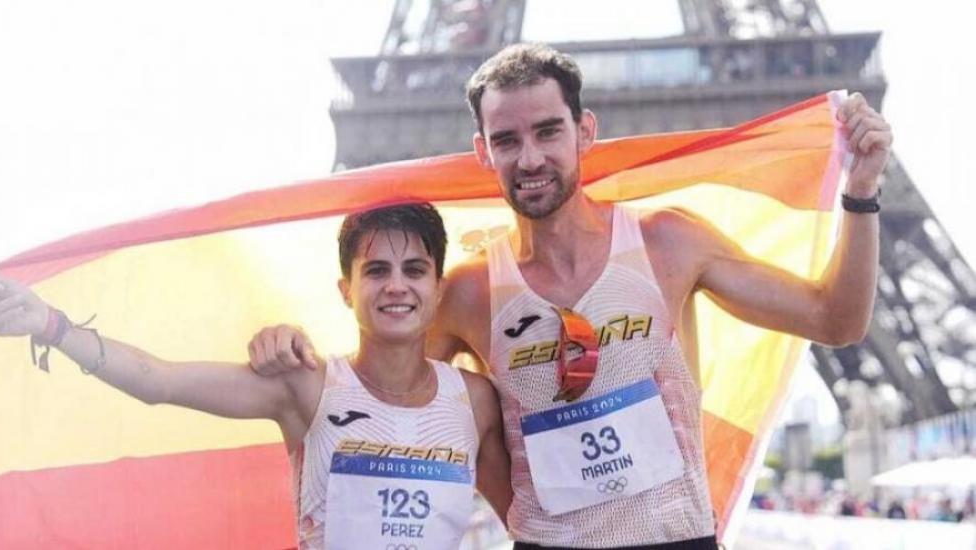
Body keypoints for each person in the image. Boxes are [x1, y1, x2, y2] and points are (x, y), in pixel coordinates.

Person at [250, 43, 892, 549]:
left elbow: (835, 319)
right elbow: (383, 398)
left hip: (678, 540)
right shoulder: (468, 292)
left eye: (547, 132)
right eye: (506, 140)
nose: (529, 157)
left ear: (584, 131)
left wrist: (861, 192)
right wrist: (289, 350)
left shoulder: (668, 244)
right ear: (482, 151)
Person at [0, 203, 512, 550]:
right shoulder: (307, 387)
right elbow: (160, 381)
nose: (396, 286)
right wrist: (54, 326)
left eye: (414, 270)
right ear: (346, 291)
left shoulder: (475, 401)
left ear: (439, 289)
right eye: (376, 271)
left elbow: (527, 518)